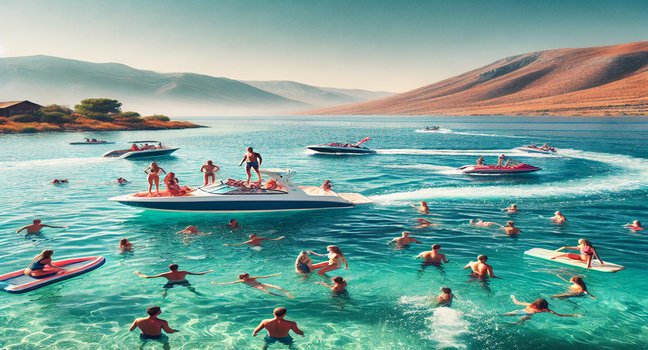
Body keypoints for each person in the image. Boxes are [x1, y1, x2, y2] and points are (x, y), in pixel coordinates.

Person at [134, 264, 212, 297]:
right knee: (191, 289)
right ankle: (198, 294)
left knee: (165, 290)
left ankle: (164, 296)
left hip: (171, 282)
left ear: (169, 268)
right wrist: (208, 271)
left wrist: (139, 273)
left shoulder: (166, 274)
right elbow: (199, 274)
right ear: (177, 267)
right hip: (183, 281)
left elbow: (149, 277)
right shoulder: (184, 272)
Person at [505, 296, 580, 324]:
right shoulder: (545, 309)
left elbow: (517, 302)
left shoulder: (530, 305)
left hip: (522, 311)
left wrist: (513, 297)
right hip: (529, 315)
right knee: (520, 322)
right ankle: (513, 324)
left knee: (510, 313)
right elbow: (559, 315)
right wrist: (573, 315)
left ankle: (500, 315)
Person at [213, 273, 294, 298]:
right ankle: (281, 296)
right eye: (245, 277)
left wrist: (274, 275)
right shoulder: (241, 281)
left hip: (260, 284)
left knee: (276, 287)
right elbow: (229, 283)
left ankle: (287, 293)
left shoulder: (252, 278)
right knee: (267, 292)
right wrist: (218, 283)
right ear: (243, 278)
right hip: (256, 287)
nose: (247, 278)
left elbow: (264, 276)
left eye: (247, 276)